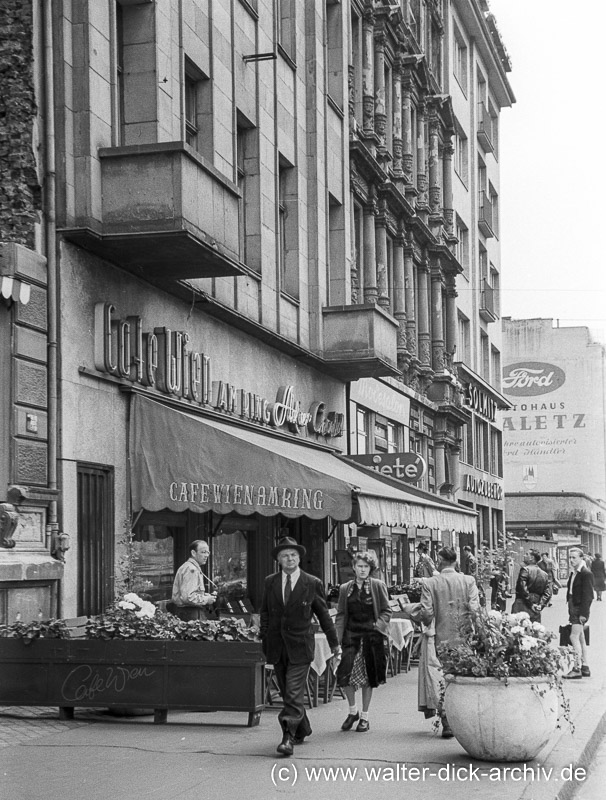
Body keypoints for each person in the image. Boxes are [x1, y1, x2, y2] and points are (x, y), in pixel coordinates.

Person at [260, 536, 341, 756]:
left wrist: (335, 645)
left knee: (294, 692)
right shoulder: (270, 582)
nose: (290, 559)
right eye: (285, 555)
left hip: (301, 646)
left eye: (293, 555)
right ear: (279, 559)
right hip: (277, 646)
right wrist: (265, 638)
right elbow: (265, 613)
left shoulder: (311, 583)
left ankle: (287, 737)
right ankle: (303, 728)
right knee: (288, 693)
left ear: (299, 558)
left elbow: (324, 616)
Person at [404, 546, 480, 738]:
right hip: (464, 638)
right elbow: (475, 610)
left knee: (440, 678)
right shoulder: (468, 580)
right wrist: (479, 635)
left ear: (439, 561)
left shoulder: (430, 583)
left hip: (439, 638)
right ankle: (462, 719)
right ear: (455, 561)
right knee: (462, 677)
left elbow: (427, 613)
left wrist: (414, 613)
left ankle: (446, 718)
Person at [335, 550, 391, 733]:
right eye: (359, 566)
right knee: (344, 674)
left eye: (366, 566)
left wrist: (378, 625)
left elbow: (386, 610)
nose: (362, 570)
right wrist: (336, 640)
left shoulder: (377, 586)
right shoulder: (345, 588)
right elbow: (341, 615)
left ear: (371, 568)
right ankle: (353, 711)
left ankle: (365, 717)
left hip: (371, 637)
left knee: (369, 677)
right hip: (351, 636)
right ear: (353, 567)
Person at [563, 547, 594, 679]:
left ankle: (576, 668)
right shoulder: (575, 572)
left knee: (573, 637)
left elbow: (588, 596)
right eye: (570, 557)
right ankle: (585, 666)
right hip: (573, 606)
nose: (571, 560)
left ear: (581, 558)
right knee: (580, 637)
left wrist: (584, 614)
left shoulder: (585, 573)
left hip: (578, 608)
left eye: (574, 557)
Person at [171, 540, 216, 619]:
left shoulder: (188, 567)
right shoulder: (192, 570)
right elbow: (188, 597)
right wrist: (206, 599)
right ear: (193, 553)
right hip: (191, 613)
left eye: (208, 552)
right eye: (203, 552)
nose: (206, 555)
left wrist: (203, 595)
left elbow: (186, 593)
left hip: (187, 612)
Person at [511, 551, 551, 623]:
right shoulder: (544, 574)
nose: (524, 555)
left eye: (526, 554)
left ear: (532, 558)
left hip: (522, 603)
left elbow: (522, 587)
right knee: (535, 628)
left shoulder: (525, 570)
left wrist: (530, 603)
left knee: (518, 627)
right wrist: (541, 605)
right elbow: (548, 592)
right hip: (536, 604)